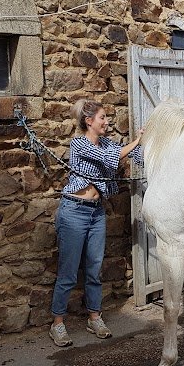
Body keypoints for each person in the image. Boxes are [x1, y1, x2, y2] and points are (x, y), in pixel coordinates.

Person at [49, 99, 142, 346]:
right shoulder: (80, 143)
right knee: (68, 273)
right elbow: (112, 157)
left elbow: (135, 154)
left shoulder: (107, 142)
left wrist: (150, 143)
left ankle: (94, 318)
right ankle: (57, 324)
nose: (107, 122)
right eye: (102, 117)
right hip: (74, 212)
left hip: (96, 212)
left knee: (94, 269)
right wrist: (137, 141)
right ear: (89, 121)